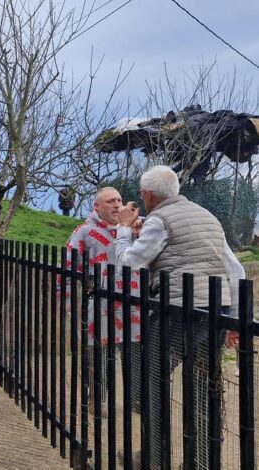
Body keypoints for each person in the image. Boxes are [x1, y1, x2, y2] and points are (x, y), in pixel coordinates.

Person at [115, 165, 243, 469]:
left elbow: (128, 264)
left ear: (147, 195)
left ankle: (153, 458)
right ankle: (200, 461)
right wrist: (235, 319)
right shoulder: (207, 216)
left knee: (152, 381)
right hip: (214, 313)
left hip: (176, 314)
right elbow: (235, 270)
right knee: (203, 387)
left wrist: (122, 230)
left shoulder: (160, 219)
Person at [63, 187, 141, 413]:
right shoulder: (85, 232)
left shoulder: (138, 227)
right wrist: (69, 302)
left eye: (119, 200)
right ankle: (98, 401)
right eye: (110, 201)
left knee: (134, 357)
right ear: (96, 207)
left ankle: (136, 400)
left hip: (134, 305)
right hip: (100, 307)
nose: (117, 205)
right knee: (100, 358)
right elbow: (69, 268)